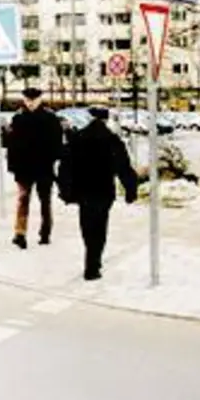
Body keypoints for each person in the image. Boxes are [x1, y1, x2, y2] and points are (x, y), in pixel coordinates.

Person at [58, 106, 141, 281]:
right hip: (104, 190)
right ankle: (94, 263)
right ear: (105, 120)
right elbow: (123, 167)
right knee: (100, 228)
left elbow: (65, 166)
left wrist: (65, 191)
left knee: (87, 226)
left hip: (83, 191)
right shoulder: (111, 139)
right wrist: (130, 190)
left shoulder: (77, 138)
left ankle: (91, 258)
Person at [4, 87, 63, 249]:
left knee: (45, 201)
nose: (30, 103)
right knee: (23, 199)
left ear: (39, 100)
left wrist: (54, 161)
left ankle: (45, 232)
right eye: (27, 100)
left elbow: (57, 144)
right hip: (23, 168)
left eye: (33, 100)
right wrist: (13, 166)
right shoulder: (18, 118)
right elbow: (11, 146)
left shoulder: (50, 118)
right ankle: (20, 234)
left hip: (44, 168)